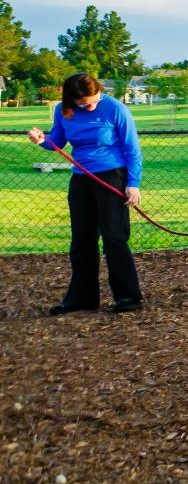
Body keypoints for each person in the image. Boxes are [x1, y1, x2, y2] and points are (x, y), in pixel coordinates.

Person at [26, 73, 146, 315]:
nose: (90, 106)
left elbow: (132, 148)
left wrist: (133, 183)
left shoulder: (115, 109)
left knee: (114, 237)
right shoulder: (63, 109)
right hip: (81, 179)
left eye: (94, 100)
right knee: (82, 240)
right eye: (83, 103)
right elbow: (56, 141)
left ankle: (128, 297)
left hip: (113, 175)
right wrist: (41, 140)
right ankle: (82, 299)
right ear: (71, 99)